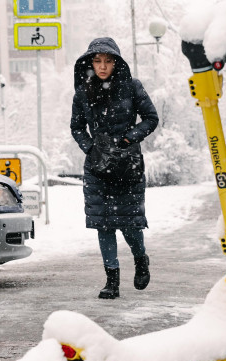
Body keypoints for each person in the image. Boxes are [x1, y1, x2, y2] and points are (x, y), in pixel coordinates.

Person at [71, 37, 159, 298]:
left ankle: (140, 259)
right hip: (97, 168)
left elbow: (151, 118)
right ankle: (112, 280)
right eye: (97, 61)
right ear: (90, 63)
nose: (102, 66)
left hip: (127, 166)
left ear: (116, 63)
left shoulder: (132, 87)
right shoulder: (82, 92)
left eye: (108, 61)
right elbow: (76, 127)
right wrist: (90, 148)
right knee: (104, 224)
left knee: (130, 223)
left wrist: (128, 138)